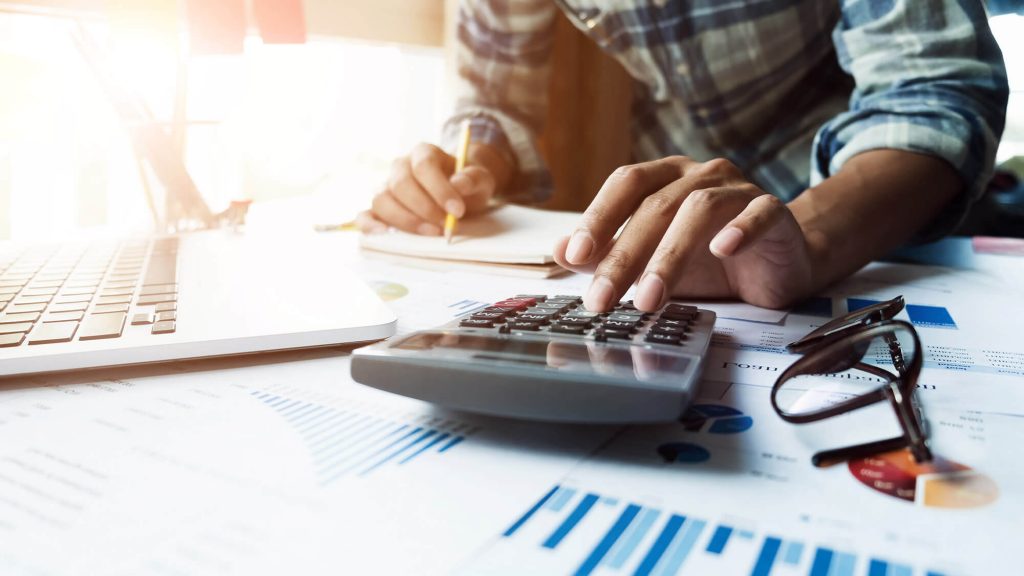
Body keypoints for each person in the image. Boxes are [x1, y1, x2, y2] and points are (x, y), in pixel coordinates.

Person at [357, 0, 1008, 312]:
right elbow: (500, 101)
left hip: (863, 229)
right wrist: (473, 167)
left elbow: (934, 89)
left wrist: (808, 236)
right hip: (662, 256)